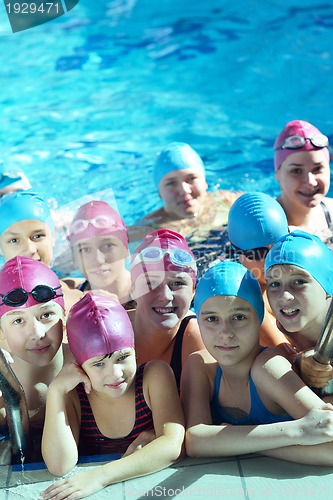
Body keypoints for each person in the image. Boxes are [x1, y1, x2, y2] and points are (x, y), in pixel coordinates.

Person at [181, 260, 333, 465]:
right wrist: (296, 431)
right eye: (211, 319)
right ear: (198, 321)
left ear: (259, 318)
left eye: (239, 317)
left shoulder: (269, 367)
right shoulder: (199, 364)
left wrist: (234, 441)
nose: (225, 333)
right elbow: (195, 440)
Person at [41, 293, 184, 499]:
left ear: (135, 349)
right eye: (98, 364)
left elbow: (173, 446)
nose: (116, 373)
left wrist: (101, 476)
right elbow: (59, 465)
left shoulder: (153, 377)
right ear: (79, 365)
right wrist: (55, 391)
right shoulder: (74, 397)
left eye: (123, 357)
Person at [130, 142, 240, 275]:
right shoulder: (146, 231)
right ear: (159, 192)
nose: (184, 190)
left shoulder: (226, 201)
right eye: (171, 183)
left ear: (205, 181)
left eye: (191, 178)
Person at [0, 256, 71, 453]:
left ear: (64, 316)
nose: (38, 333)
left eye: (46, 315)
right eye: (18, 321)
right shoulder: (2, 386)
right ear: (1, 331)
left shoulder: (93, 365)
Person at [130, 228, 205, 390]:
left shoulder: (195, 339)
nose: (165, 296)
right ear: (133, 290)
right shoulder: (108, 330)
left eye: (178, 283)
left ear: (193, 291)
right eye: (152, 283)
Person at [264, 230, 333, 395]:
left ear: (328, 286)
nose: (284, 296)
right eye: (274, 284)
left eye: (299, 282)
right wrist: (297, 362)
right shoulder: (276, 328)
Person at [0, 189, 83, 322]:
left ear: (53, 237)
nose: (29, 250)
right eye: (14, 240)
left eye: (38, 236)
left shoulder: (82, 299)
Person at [228, 191, 290, 347]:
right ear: (238, 253)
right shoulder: (246, 300)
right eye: (256, 253)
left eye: (277, 248)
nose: (269, 260)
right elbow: (289, 354)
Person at [63, 200, 134, 308]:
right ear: (75, 258)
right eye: (85, 249)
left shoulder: (152, 295)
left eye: (108, 246)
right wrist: (81, 299)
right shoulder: (70, 294)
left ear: (126, 248)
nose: (98, 260)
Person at [274, 119, 333, 244]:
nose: (311, 182)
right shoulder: (266, 227)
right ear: (277, 174)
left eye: (318, 168)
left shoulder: (331, 211)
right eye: (296, 171)